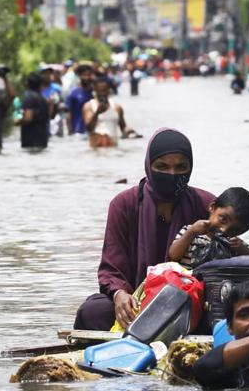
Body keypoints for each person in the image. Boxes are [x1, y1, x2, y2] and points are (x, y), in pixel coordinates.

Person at [73, 128, 216, 331]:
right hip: (137, 302)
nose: (172, 174)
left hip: (190, 304)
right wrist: (119, 295)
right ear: (149, 166)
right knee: (93, 312)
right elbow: (111, 268)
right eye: (162, 166)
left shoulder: (207, 205)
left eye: (181, 167)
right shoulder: (124, 204)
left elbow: (227, 260)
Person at [168, 187, 249, 269]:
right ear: (212, 207)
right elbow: (173, 255)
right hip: (187, 284)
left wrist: (243, 250)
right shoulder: (191, 231)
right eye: (223, 219)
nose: (224, 229)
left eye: (234, 230)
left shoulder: (233, 244)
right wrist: (191, 232)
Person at [83, 74, 132, 148]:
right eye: (100, 91)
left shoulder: (117, 107)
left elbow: (123, 127)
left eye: (104, 91)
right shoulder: (89, 106)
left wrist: (129, 131)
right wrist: (97, 113)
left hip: (113, 147)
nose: (102, 93)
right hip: (95, 149)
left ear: (109, 90)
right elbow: (89, 128)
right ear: (95, 90)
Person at [17, 72, 50, 149]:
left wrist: (17, 121)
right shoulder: (43, 99)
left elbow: (28, 118)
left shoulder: (29, 97)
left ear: (27, 83)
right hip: (42, 141)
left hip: (30, 142)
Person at [66, 64, 94, 135]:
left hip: (93, 131)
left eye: (89, 75)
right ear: (79, 76)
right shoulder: (73, 93)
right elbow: (68, 113)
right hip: (78, 131)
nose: (87, 77)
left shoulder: (95, 92)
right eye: (84, 75)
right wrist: (70, 130)